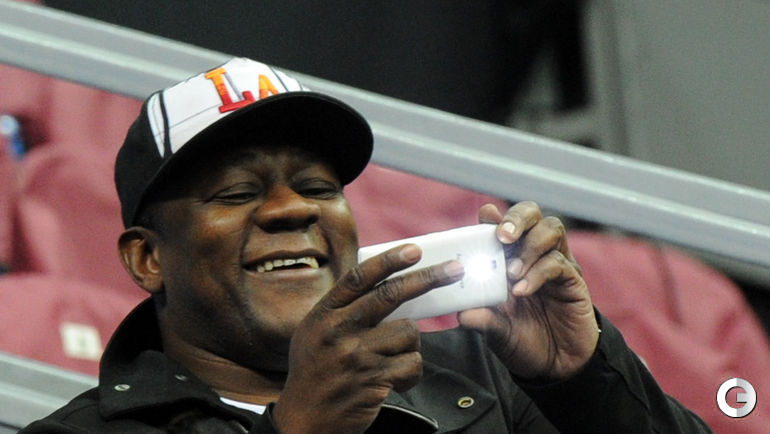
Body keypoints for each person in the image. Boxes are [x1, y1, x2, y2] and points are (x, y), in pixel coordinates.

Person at [21, 57, 711, 433]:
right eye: (236, 193)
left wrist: (584, 378)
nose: (292, 209)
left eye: (318, 187)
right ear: (147, 259)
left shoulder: (478, 375)